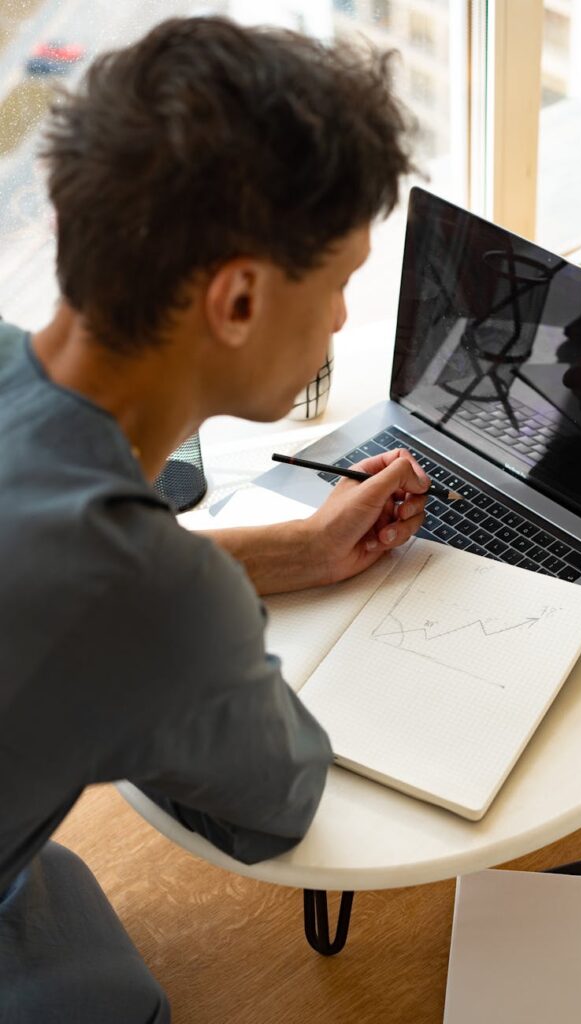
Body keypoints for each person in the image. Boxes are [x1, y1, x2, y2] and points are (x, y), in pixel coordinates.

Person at [0, 16, 429, 1024]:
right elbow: (275, 801)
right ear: (237, 299)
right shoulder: (153, 598)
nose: (335, 321)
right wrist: (209, 620)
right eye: (336, 286)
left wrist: (302, 549)